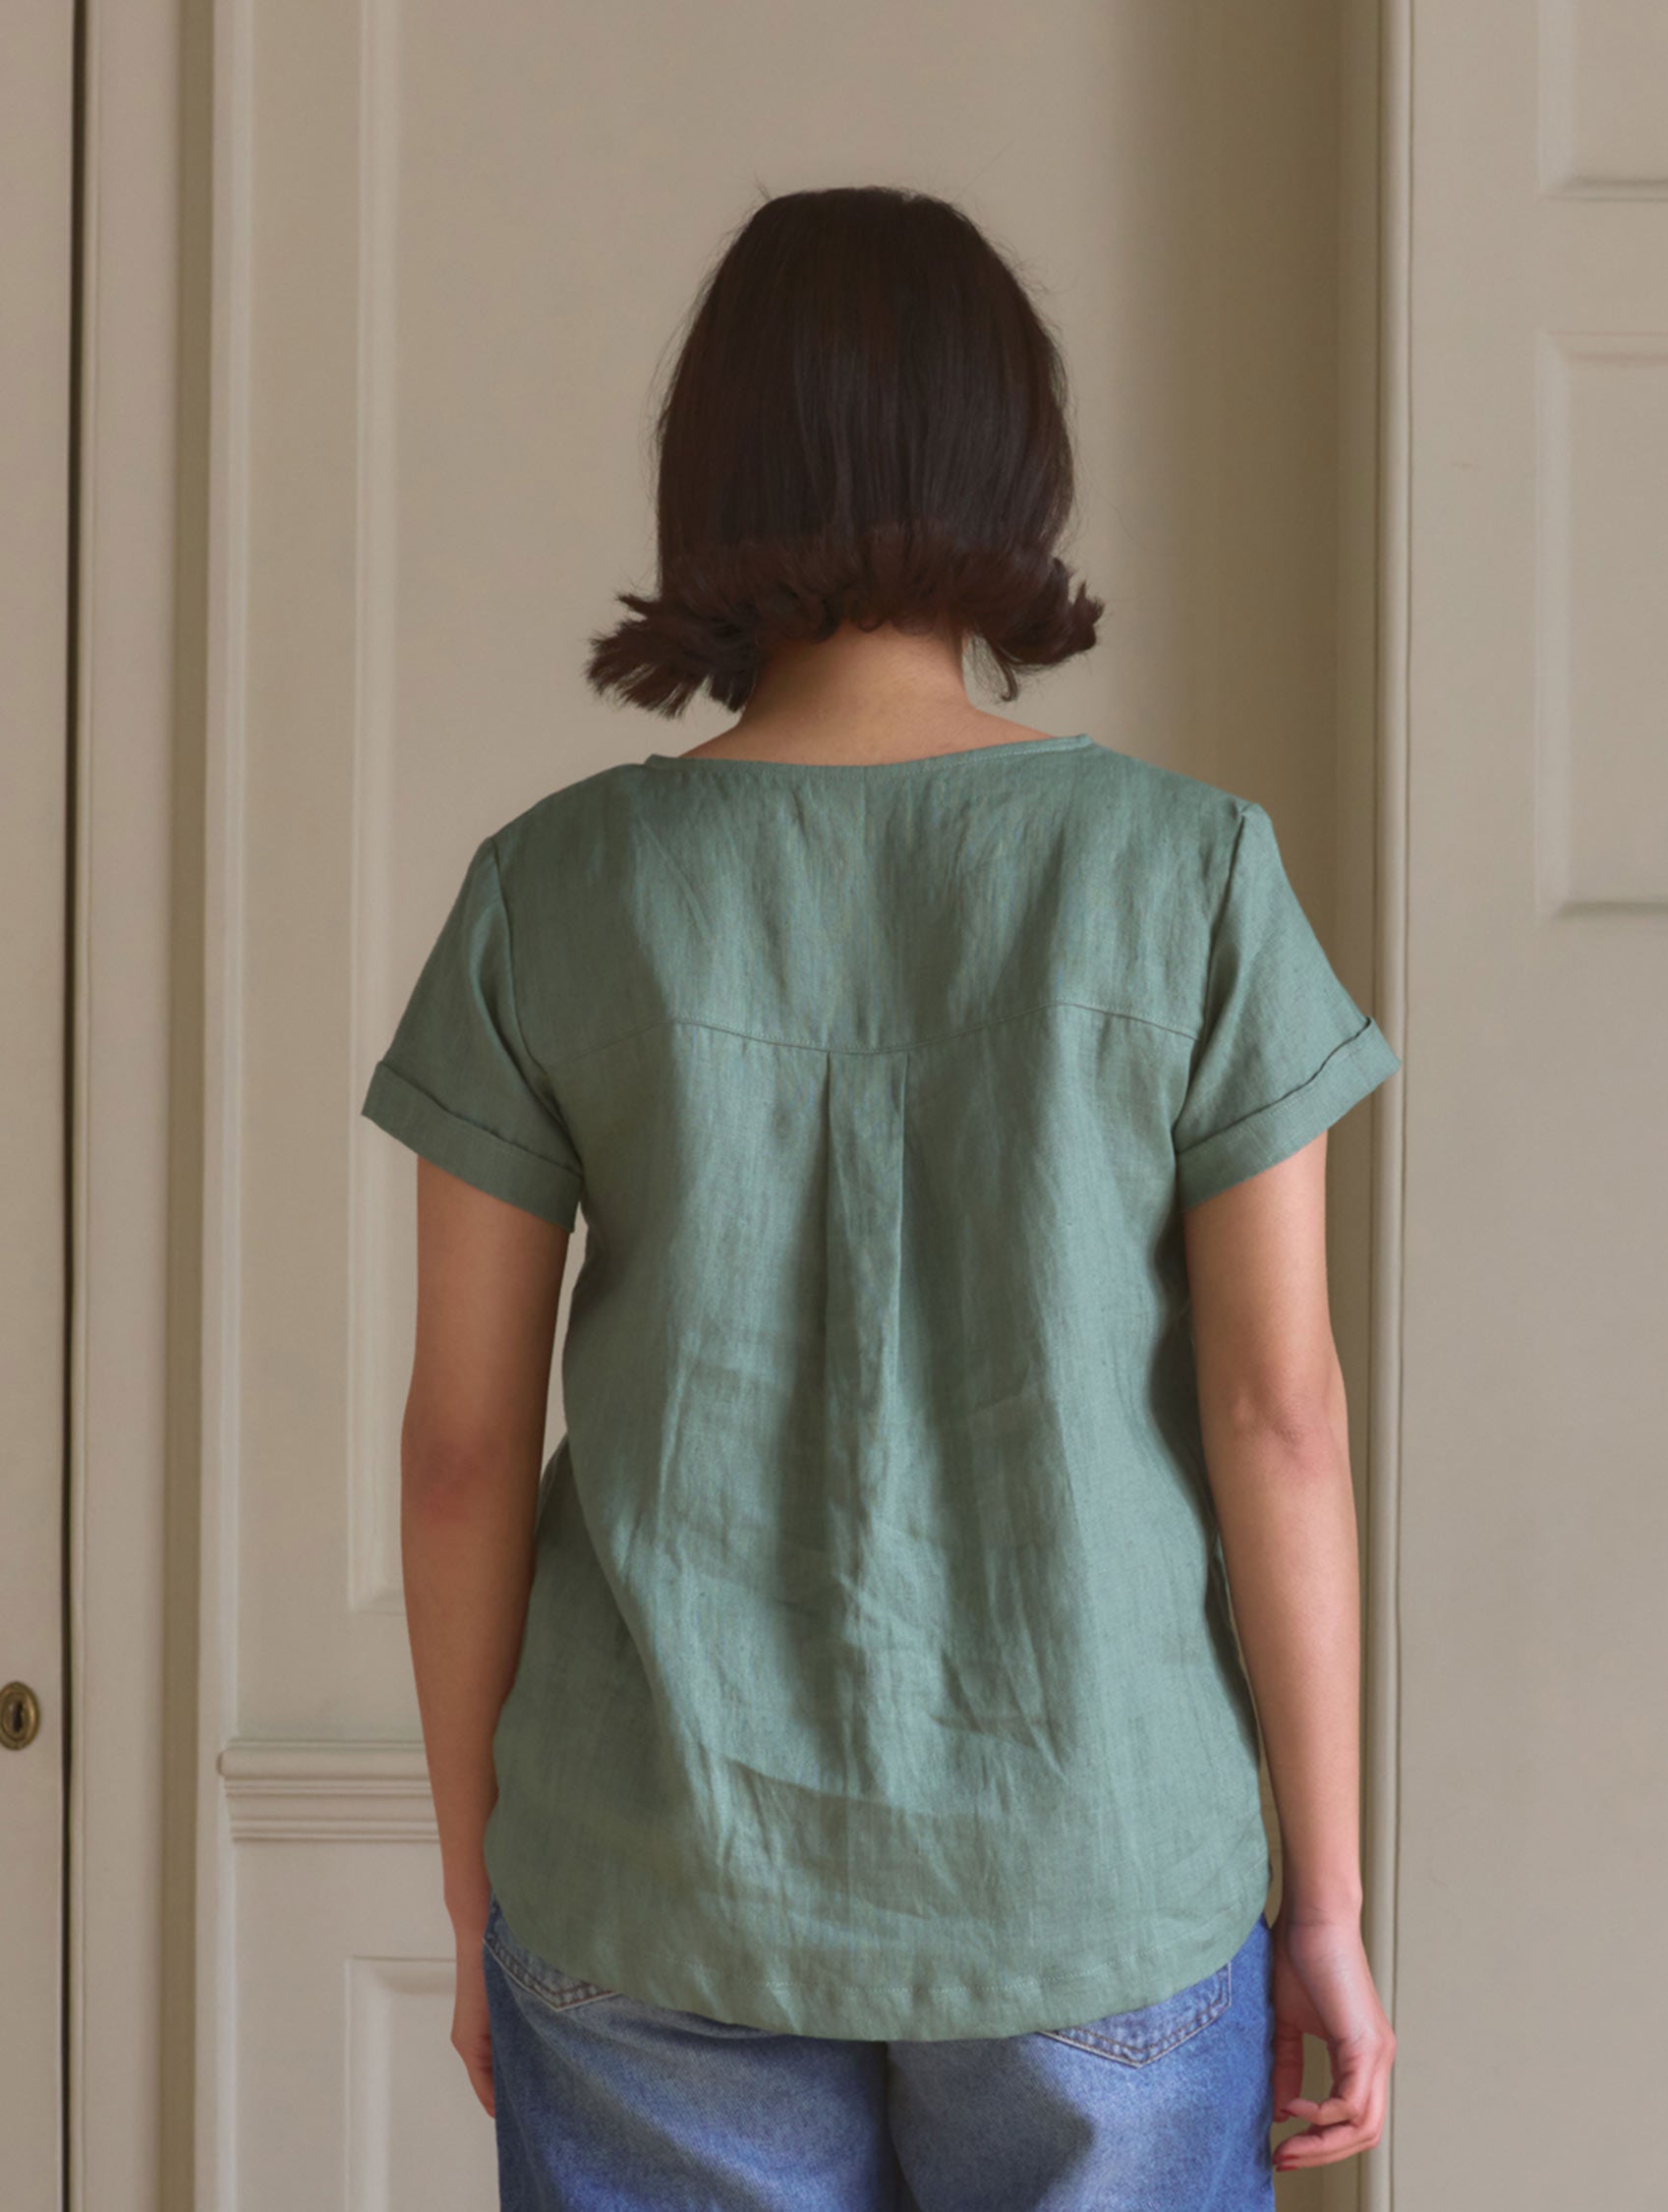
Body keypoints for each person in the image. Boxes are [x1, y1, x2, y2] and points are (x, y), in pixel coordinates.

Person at [361, 183, 1400, 2211]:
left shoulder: (554, 889)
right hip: (1096, 1873)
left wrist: (490, 1880)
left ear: (711, 478)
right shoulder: (1189, 874)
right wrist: (1331, 1901)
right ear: (1020, 468)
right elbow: (1285, 1416)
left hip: (656, 1878)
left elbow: (464, 1453)